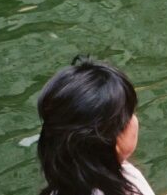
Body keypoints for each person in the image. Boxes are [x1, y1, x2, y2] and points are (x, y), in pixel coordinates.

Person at [36, 56, 155, 195]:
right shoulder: (125, 185)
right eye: (131, 113)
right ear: (115, 142)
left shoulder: (63, 185)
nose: (135, 119)